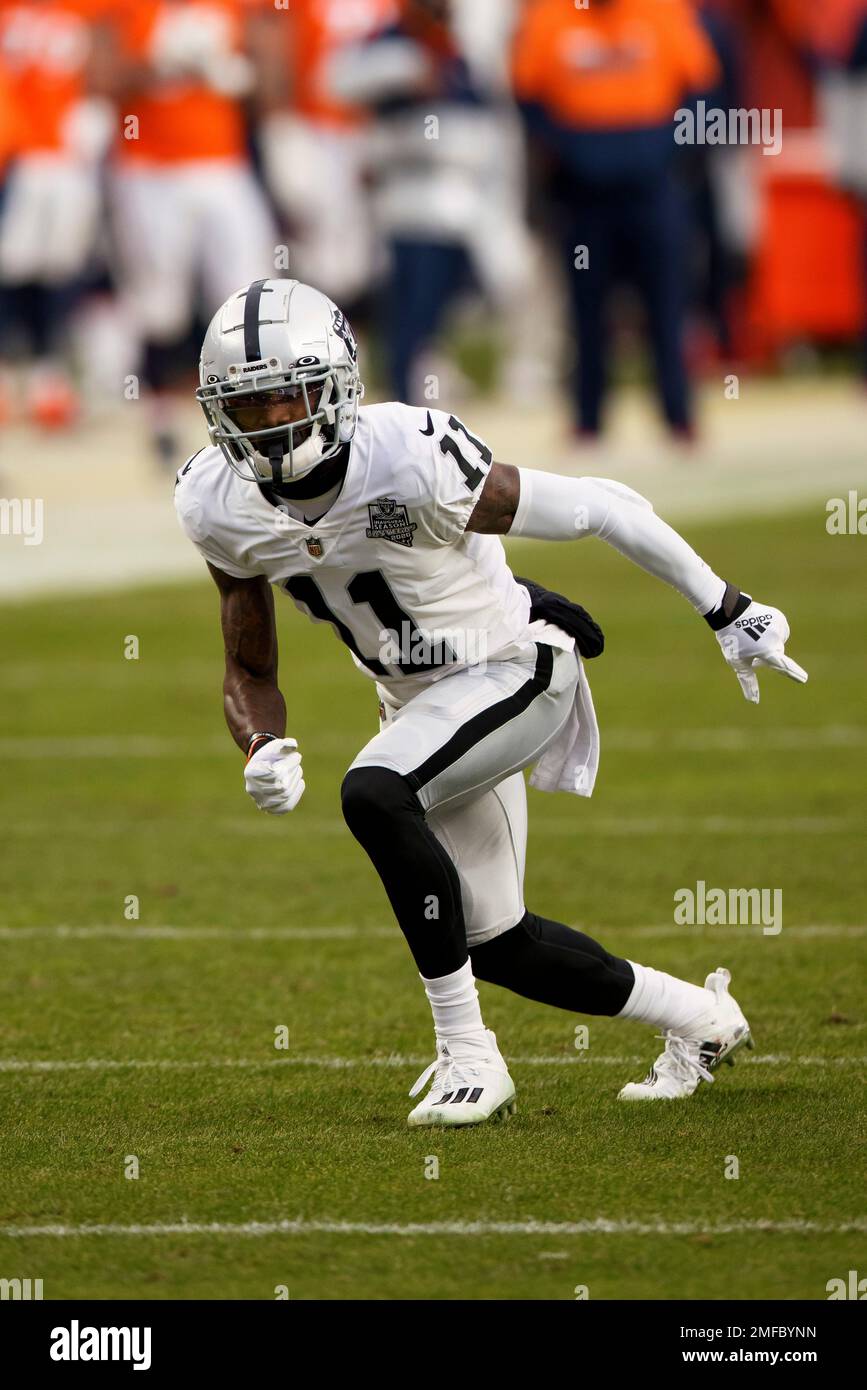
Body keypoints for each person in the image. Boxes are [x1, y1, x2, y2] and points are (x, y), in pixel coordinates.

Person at [175, 278, 808, 1127]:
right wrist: (259, 745)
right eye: (244, 406)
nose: (267, 422)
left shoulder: (411, 458)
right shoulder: (216, 501)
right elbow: (247, 664)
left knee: (372, 791)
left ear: (334, 386)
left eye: (283, 395)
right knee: (496, 942)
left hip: (513, 667)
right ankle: (699, 1019)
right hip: (418, 707)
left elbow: (602, 505)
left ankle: (468, 1054)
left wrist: (725, 607)